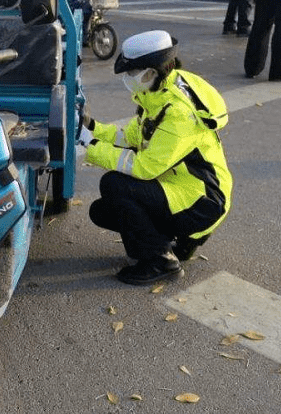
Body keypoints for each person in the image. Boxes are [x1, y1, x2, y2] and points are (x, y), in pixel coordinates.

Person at [79, 30, 233, 285]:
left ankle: (161, 260)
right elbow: (131, 138)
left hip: (201, 201)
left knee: (114, 185)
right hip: (186, 189)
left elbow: (143, 167)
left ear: (153, 72)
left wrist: (89, 145)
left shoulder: (178, 114)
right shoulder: (159, 94)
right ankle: (181, 242)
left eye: (132, 73)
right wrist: (92, 127)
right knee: (102, 211)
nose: (129, 79)